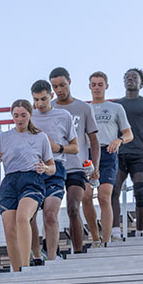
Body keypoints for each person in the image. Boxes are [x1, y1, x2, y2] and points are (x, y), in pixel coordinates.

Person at [0, 99, 55, 272]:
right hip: (10, 182)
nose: (19, 119)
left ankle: (26, 267)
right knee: (9, 230)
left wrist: (45, 168)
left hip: (32, 180)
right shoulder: (3, 137)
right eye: (16, 115)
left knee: (22, 217)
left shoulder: (40, 137)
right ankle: (17, 271)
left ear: (30, 115)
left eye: (23, 115)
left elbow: (52, 167)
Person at [50, 67, 99, 254]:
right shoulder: (49, 107)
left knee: (72, 207)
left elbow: (94, 142)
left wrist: (95, 166)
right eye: (55, 86)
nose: (59, 90)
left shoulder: (83, 108)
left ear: (70, 82)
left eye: (62, 85)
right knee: (49, 212)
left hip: (76, 166)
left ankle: (78, 252)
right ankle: (49, 252)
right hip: (53, 166)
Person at [29, 80, 78, 262]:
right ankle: (36, 257)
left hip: (55, 168)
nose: (40, 104)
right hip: (32, 170)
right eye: (36, 100)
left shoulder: (63, 115)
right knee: (30, 216)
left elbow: (75, 147)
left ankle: (51, 258)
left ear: (51, 96)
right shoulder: (28, 116)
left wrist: (56, 147)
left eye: (43, 99)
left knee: (50, 214)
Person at [82, 71, 133, 247]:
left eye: (100, 84)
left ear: (106, 86)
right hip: (87, 155)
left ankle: (106, 241)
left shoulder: (116, 108)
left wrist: (119, 140)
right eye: (94, 84)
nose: (97, 88)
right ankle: (95, 238)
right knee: (86, 196)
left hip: (108, 154)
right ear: (89, 86)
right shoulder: (84, 108)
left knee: (104, 197)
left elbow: (128, 134)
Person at [111, 68, 143, 239]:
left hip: (139, 154)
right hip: (119, 153)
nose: (130, 79)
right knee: (113, 190)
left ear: (141, 83)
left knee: (140, 192)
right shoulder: (116, 105)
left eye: (134, 77)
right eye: (127, 77)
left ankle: (140, 232)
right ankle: (115, 231)